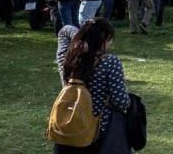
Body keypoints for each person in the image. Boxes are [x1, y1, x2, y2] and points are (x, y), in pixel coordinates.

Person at [54, 18, 131, 153]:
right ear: (105, 39)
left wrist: (82, 38)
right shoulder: (110, 62)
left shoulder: (67, 59)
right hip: (98, 130)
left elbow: (63, 31)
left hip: (70, 124)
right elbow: (121, 102)